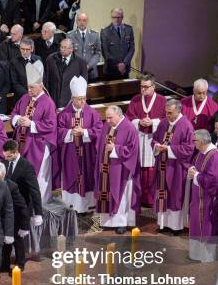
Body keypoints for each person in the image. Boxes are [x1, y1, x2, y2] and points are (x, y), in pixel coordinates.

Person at [10, 62, 57, 203]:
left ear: (40, 86)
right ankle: (26, 201)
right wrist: (18, 120)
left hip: (39, 145)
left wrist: (31, 124)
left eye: (32, 87)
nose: (29, 90)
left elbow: (51, 125)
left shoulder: (48, 103)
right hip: (23, 143)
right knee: (23, 173)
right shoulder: (25, 98)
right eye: (28, 87)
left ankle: (40, 202)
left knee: (40, 175)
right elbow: (14, 113)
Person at [57, 76, 102, 213]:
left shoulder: (92, 113)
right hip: (70, 153)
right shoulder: (64, 114)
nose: (83, 102)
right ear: (72, 98)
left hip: (87, 152)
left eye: (84, 99)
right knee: (72, 176)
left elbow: (99, 130)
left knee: (87, 176)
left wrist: (85, 132)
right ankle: (73, 206)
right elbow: (58, 131)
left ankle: (88, 205)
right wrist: (71, 133)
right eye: (79, 99)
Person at [94, 105, 140, 235]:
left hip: (121, 169)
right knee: (106, 192)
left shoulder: (129, 128)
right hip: (106, 167)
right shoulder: (107, 126)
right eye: (106, 117)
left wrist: (116, 148)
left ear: (119, 115)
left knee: (122, 195)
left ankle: (121, 223)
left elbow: (133, 150)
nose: (107, 120)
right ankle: (107, 222)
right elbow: (100, 145)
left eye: (110, 117)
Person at [151, 99, 195, 234]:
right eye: (166, 112)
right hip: (163, 166)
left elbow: (189, 148)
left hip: (177, 168)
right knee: (163, 194)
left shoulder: (186, 125)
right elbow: (154, 139)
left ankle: (176, 227)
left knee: (175, 196)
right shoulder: (163, 123)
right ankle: (163, 224)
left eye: (170, 113)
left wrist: (169, 149)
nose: (167, 115)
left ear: (178, 111)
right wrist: (157, 146)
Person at [187, 129, 218, 262]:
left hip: (210, 200)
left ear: (201, 141)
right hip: (198, 199)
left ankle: (207, 257)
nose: (193, 143)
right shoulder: (201, 153)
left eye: (194, 141)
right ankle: (196, 254)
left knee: (208, 227)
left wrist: (197, 175)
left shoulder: (216, 156)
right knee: (196, 225)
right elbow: (195, 166)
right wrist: (192, 170)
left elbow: (214, 180)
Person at [125, 74, 167, 208]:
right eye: (141, 87)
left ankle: (150, 198)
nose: (143, 90)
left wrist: (153, 122)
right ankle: (140, 196)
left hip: (154, 138)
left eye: (146, 87)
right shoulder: (136, 99)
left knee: (151, 168)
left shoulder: (162, 100)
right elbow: (129, 118)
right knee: (140, 166)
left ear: (153, 87)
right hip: (140, 137)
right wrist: (139, 122)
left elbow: (167, 120)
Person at [0, 162, 29, 274]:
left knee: (17, 242)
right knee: (4, 244)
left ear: (3, 175)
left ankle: (20, 263)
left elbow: (22, 206)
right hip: (0, 219)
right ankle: (4, 265)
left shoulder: (12, 186)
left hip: (14, 218)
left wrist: (24, 226)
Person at [2, 140, 44, 230]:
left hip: (21, 207)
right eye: (5, 156)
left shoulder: (27, 166)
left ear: (16, 152)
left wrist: (38, 213)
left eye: (9, 156)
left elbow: (35, 190)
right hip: (7, 207)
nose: (6, 158)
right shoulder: (4, 162)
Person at [44, 38, 89, 109]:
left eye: (65, 47)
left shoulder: (80, 62)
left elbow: (83, 83)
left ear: (71, 49)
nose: (62, 49)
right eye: (61, 47)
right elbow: (46, 80)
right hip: (54, 98)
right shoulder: (51, 59)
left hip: (70, 99)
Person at [100, 8, 134, 79]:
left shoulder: (128, 29)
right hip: (111, 70)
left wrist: (124, 63)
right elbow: (105, 52)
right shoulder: (105, 31)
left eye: (119, 17)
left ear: (122, 17)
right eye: (114, 17)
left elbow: (131, 48)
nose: (116, 19)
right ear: (111, 17)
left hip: (125, 69)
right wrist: (117, 65)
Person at [67, 12, 100, 80]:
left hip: (91, 72)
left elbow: (97, 53)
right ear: (76, 21)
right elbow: (69, 54)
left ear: (87, 22)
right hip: (76, 73)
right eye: (79, 20)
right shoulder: (70, 36)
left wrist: (89, 66)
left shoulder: (94, 35)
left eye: (84, 20)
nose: (82, 22)